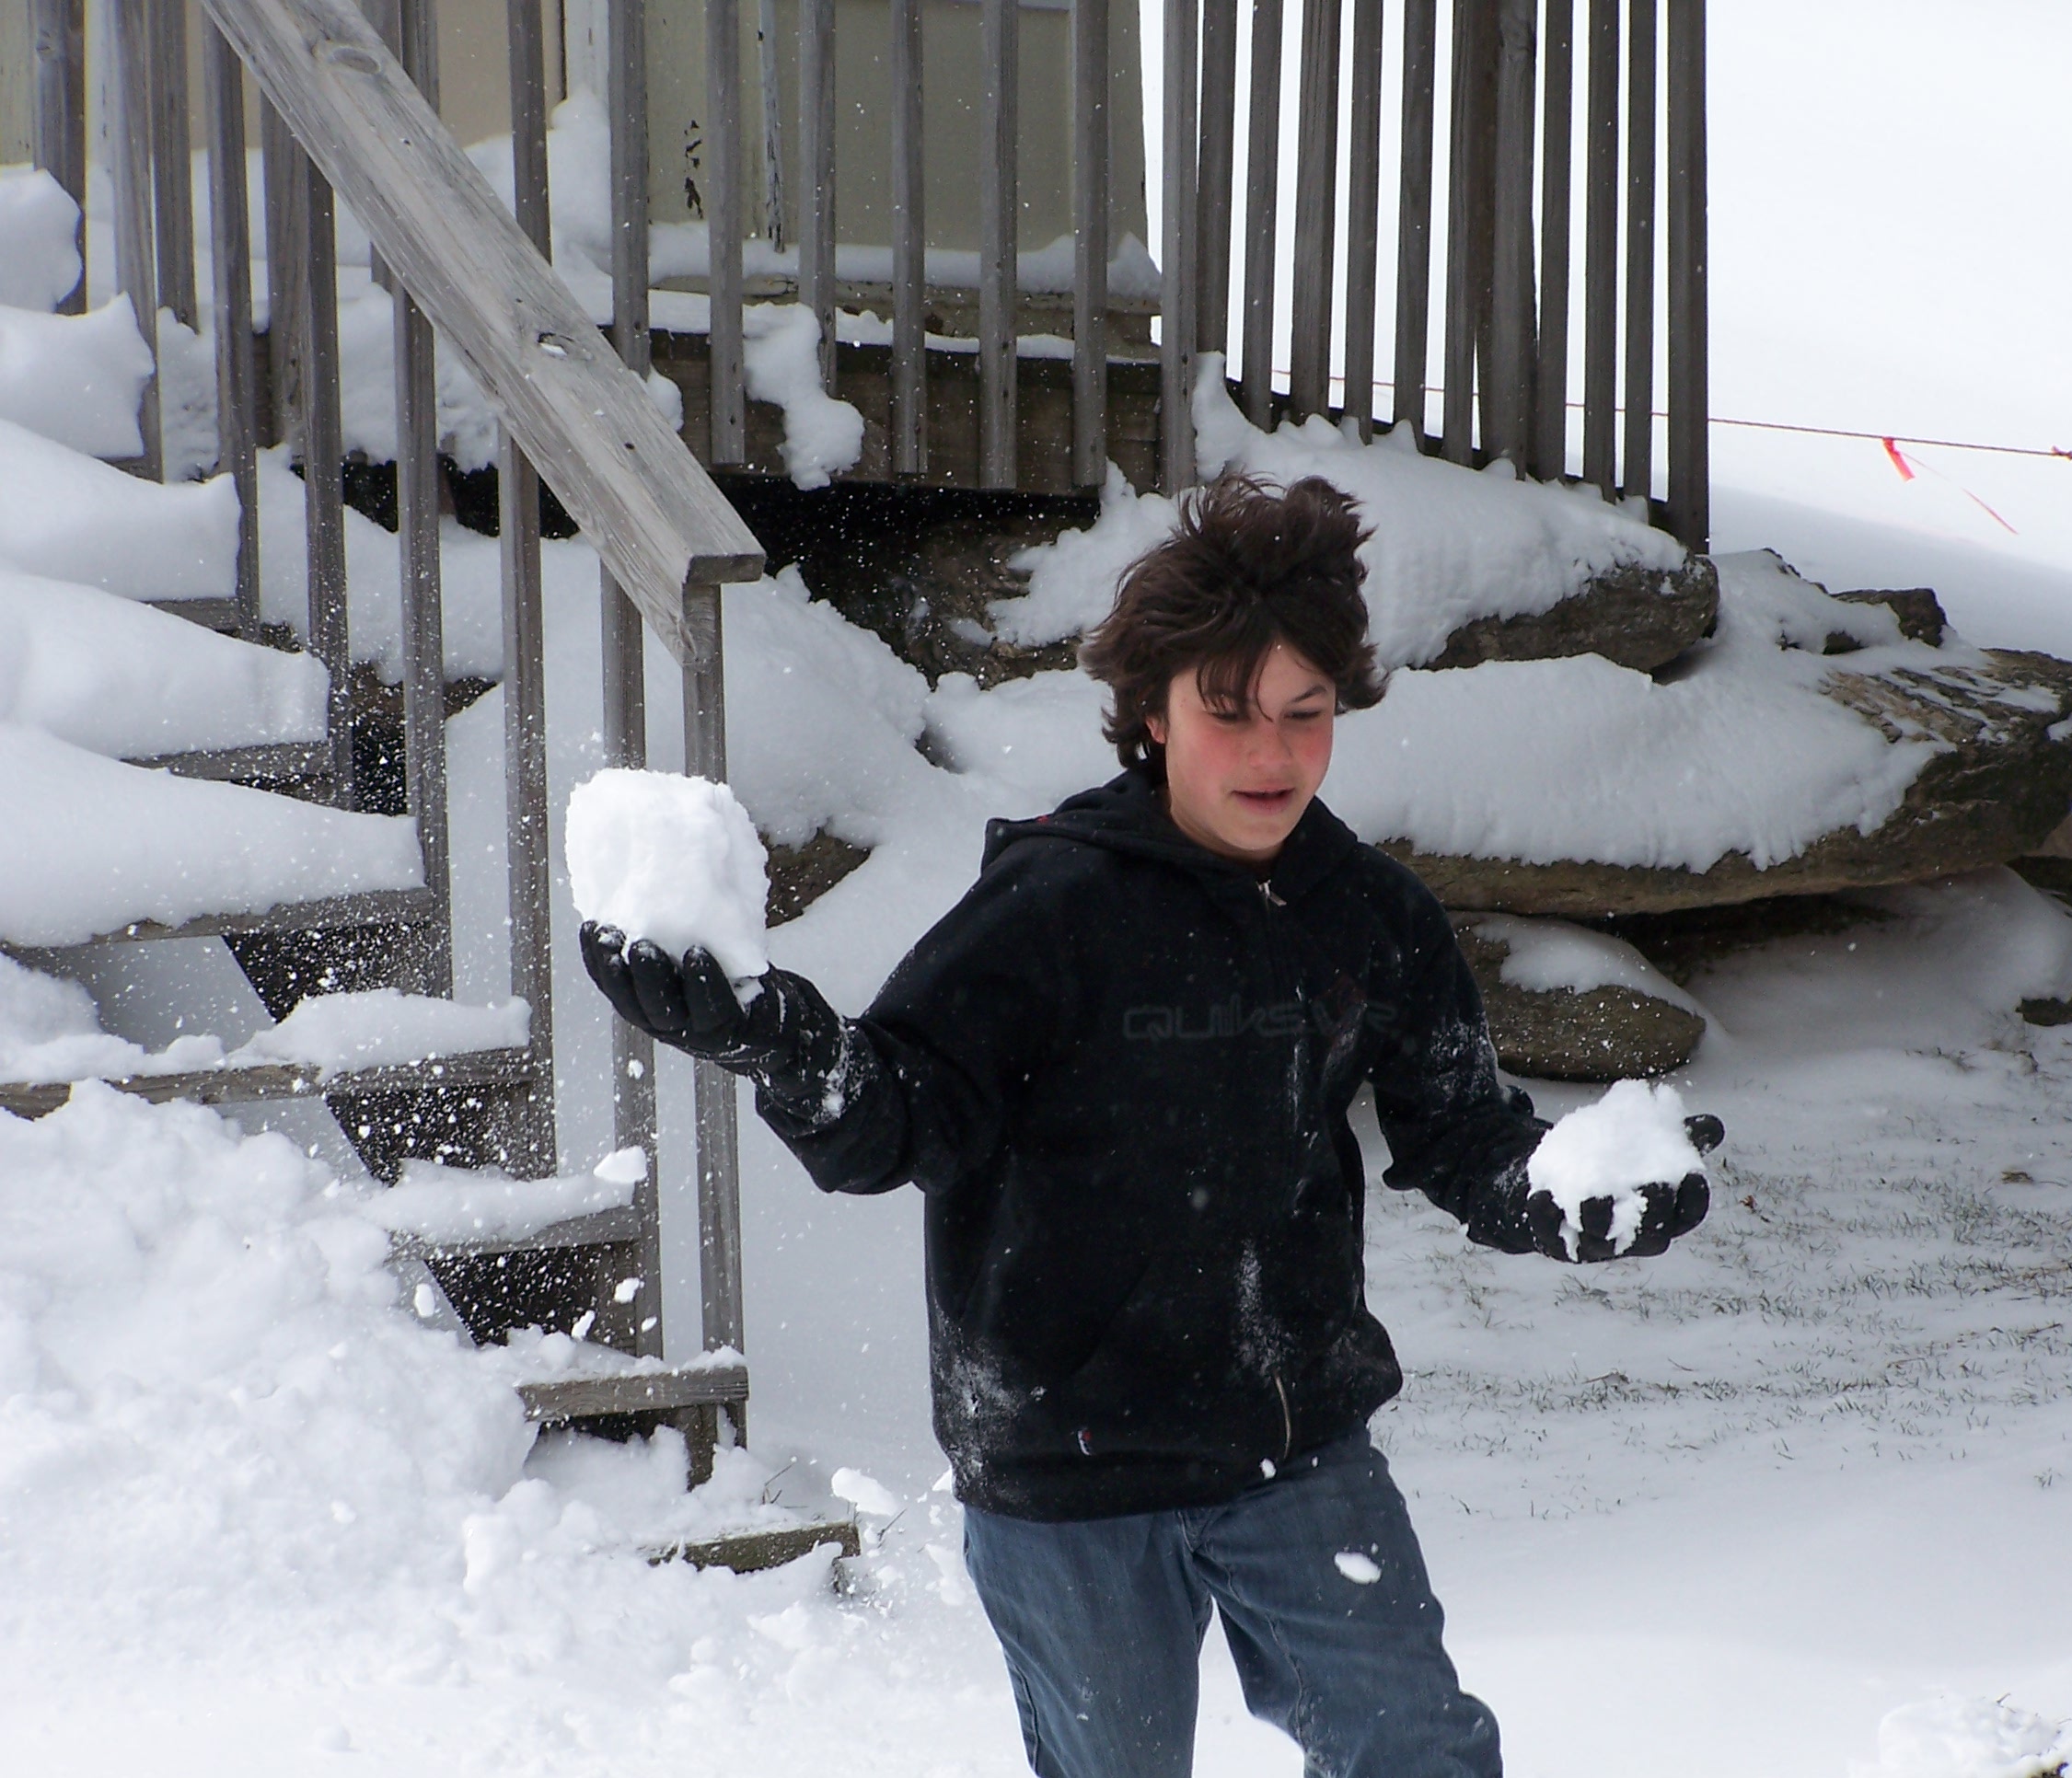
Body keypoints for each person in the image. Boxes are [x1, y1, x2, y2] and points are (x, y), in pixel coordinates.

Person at [582, 472, 1717, 1778]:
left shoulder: (1370, 915)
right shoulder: (1054, 905)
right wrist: (778, 1039)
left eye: (1306, 714)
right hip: (1064, 1465)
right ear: (1155, 717)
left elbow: (1463, 1136)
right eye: (1229, 714)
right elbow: (893, 1123)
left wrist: (1559, 1194)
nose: (1273, 754)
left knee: (1416, 1752)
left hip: (1292, 1446)